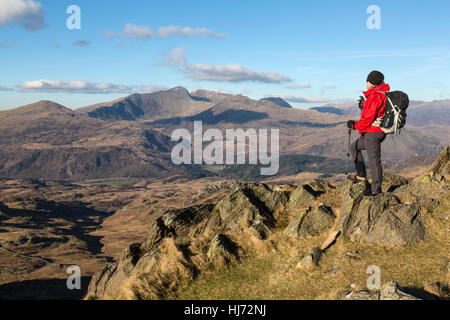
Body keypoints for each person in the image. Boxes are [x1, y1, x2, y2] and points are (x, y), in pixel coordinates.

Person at [347, 71, 389, 195]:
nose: (366, 82)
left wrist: (354, 125)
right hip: (374, 133)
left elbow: (367, 120)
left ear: (372, 83)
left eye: (368, 80)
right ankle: (361, 176)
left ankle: (376, 190)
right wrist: (364, 105)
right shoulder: (379, 94)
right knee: (354, 147)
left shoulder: (375, 96)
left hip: (373, 134)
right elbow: (375, 112)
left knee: (374, 160)